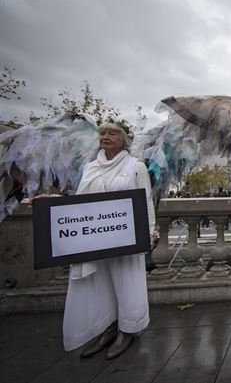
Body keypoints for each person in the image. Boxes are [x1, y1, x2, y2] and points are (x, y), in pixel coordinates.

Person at [61, 122, 155, 359]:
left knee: (126, 283)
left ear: (123, 139)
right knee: (100, 284)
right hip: (96, 239)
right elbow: (78, 201)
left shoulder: (136, 166)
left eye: (112, 133)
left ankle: (128, 329)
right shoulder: (90, 167)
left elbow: (146, 202)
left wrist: (149, 233)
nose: (105, 136)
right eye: (102, 132)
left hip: (127, 237)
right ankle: (108, 327)